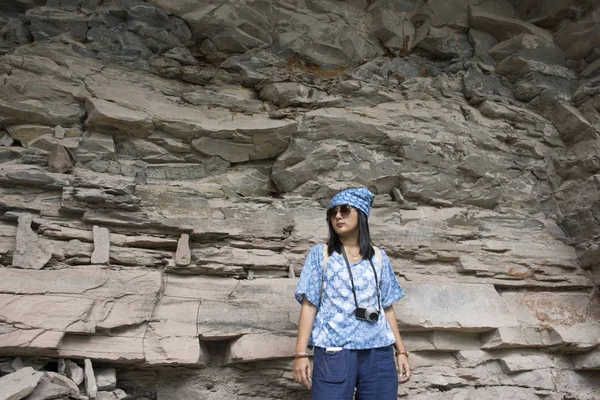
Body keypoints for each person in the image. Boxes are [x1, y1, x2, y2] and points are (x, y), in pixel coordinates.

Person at [292, 187, 411, 400]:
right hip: (334, 352)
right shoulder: (321, 254)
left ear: (361, 214)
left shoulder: (379, 257)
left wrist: (400, 350)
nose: (338, 215)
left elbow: (387, 306)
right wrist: (300, 354)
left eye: (345, 210)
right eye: (333, 212)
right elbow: (309, 305)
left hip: (378, 351)